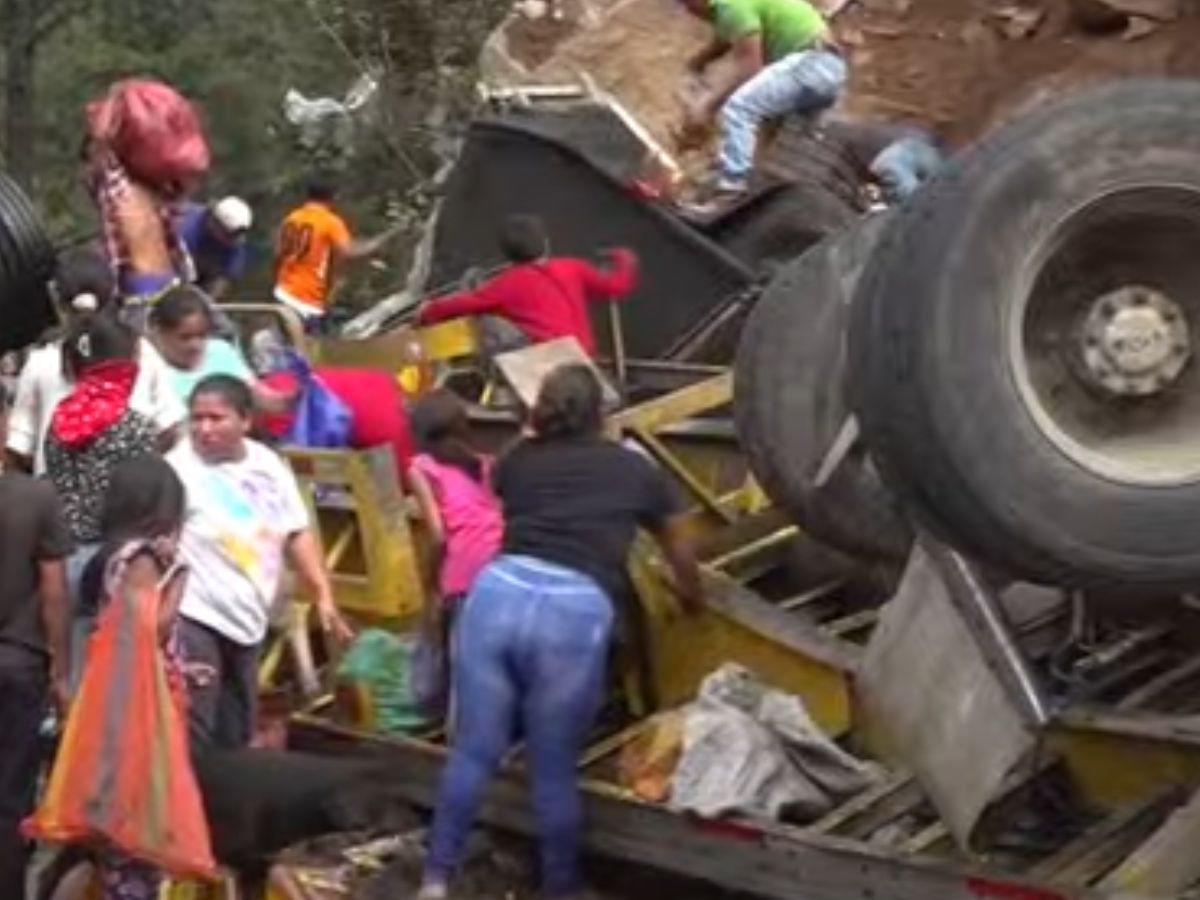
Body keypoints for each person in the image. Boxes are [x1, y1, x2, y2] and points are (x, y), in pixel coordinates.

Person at [419, 364, 703, 900]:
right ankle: (560, 888)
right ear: (602, 414)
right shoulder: (635, 471)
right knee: (552, 770)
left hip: (497, 595)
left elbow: (507, 494)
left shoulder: (517, 461)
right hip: (572, 611)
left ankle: (435, 879)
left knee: (474, 753)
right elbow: (679, 549)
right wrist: (692, 599)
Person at [27, 456, 215, 898]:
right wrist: (180, 581)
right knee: (134, 831)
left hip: (112, 702)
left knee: (108, 836)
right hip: (134, 715)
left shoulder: (104, 557)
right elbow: (148, 628)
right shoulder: (142, 559)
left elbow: (122, 639)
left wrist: (183, 667)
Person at [168, 375, 351, 750]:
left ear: (246, 421)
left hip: (249, 617)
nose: (204, 428)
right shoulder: (176, 470)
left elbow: (296, 531)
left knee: (238, 725)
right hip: (196, 615)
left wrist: (323, 593)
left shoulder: (267, 464)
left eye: (216, 418)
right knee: (196, 725)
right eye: (197, 418)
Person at [42, 310, 161, 685]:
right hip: (109, 566)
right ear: (127, 366)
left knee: (69, 667)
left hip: (57, 564)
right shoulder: (136, 429)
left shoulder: (60, 420)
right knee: (106, 678)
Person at [5, 248, 183, 475]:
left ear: (57, 299)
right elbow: (170, 429)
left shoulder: (42, 362)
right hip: (130, 499)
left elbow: (19, 449)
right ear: (112, 294)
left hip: (56, 503)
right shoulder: (141, 353)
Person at [0, 383, 71, 898]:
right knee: (13, 788)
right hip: (18, 664)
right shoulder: (35, 496)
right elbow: (54, 592)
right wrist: (62, 670)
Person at [678, 0, 845, 197]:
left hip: (811, 63)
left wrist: (707, 106)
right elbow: (724, 41)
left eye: (687, 5)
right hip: (828, 71)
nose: (688, 12)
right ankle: (755, 193)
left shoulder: (731, 6)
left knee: (739, 109)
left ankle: (729, 189)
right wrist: (698, 63)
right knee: (780, 147)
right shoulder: (734, 10)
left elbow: (750, 65)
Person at [415, 215, 638, 357]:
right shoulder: (572, 267)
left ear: (507, 255)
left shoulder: (507, 283)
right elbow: (617, 285)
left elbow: (463, 303)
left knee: (486, 320)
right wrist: (623, 258)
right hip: (584, 354)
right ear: (546, 243)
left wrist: (428, 310)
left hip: (548, 361)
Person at [408, 388, 503, 624]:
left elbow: (439, 536)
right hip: (502, 566)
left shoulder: (421, 468)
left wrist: (431, 584)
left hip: (463, 573)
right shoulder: (485, 463)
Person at [273, 177, 401, 327]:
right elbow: (349, 251)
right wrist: (379, 242)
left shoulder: (292, 217)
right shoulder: (330, 222)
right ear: (332, 197)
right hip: (306, 297)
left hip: (283, 290)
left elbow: (278, 250)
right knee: (306, 345)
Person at [148, 283, 292, 412]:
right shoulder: (149, 366)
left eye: (201, 336)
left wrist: (291, 398)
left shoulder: (220, 352)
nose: (195, 345)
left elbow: (257, 394)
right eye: (185, 337)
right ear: (161, 333)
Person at [176, 196, 252, 302]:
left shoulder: (235, 245)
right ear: (213, 222)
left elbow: (223, 279)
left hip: (202, 281)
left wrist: (207, 304)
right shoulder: (185, 227)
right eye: (228, 235)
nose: (230, 240)